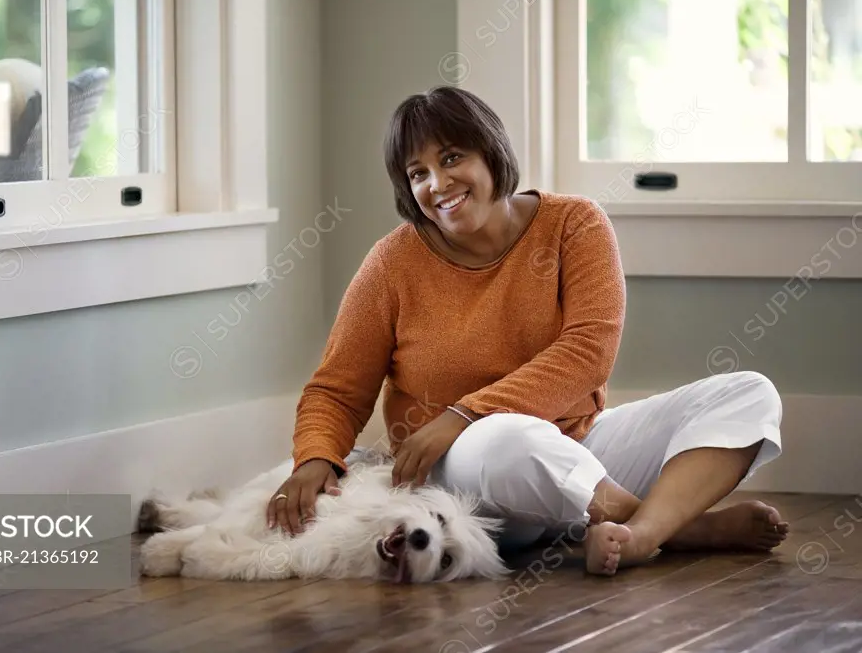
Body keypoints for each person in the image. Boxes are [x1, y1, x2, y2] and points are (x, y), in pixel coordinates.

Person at [265, 85, 788, 576]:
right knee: (505, 436)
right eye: (417, 172)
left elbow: (588, 352)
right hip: (468, 475)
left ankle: (641, 533)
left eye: (451, 158)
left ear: (491, 152)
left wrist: (463, 410)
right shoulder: (391, 263)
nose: (437, 184)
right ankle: (682, 530)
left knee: (749, 393)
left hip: (580, 447)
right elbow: (338, 388)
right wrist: (315, 458)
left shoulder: (574, 224)